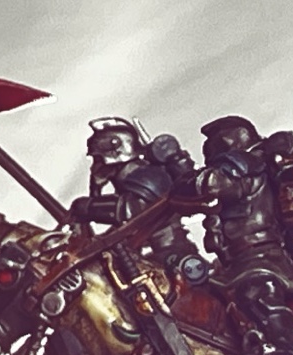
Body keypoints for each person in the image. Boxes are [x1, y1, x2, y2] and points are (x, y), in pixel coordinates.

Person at [193, 115, 293, 355]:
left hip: (261, 256)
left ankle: (283, 346)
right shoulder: (243, 169)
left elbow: (209, 184)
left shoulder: (245, 167)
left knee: (256, 290)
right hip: (233, 261)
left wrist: (177, 169)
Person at [69, 117, 206, 281]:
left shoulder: (147, 176)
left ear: (115, 154)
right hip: (149, 254)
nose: (96, 166)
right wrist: (94, 191)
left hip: (171, 254)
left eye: (98, 160)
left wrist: (87, 207)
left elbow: (135, 209)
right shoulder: (133, 177)